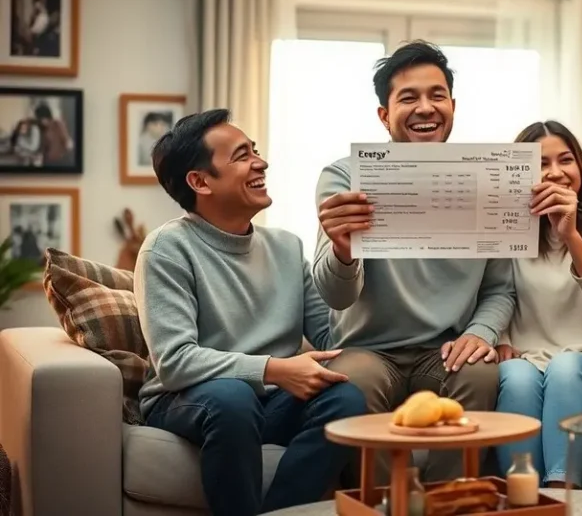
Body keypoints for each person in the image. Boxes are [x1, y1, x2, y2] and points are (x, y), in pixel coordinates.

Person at [135, 109, 367, 516]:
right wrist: (276, 369)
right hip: (188, 400)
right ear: (200, 181)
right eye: (242, 156)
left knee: (345, 398)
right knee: (232, 397)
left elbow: (334, 338)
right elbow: (174, 362)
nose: (261, 163)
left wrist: (344, 255)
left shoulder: (286, 246)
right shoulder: (167, 249)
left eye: (255, 151)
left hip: (266, 400)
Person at [315, 40, 515, 482]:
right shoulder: (344, 176)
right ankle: (389, 502)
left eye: (436, 95)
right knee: (353, 384)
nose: (425, 108)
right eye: (408, 98)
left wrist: (481, 332)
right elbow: (334, 294)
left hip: (442, 349)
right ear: (384, 115)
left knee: (480, 371)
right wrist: (343, 250)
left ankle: (449, 502)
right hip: (367, 349)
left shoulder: (490, 180)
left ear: (453, 105)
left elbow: (501, 288)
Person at [492, 121, 582, 488]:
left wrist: (569, 234)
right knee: (514, 378)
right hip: (527, 355)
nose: (555, 172)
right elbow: (494, 290)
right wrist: (501, 336)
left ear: (581, 170)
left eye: (566, 160)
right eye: (541, 163)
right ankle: (522, 496)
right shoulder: (507, 223)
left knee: (566, 368)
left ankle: (560, 493)